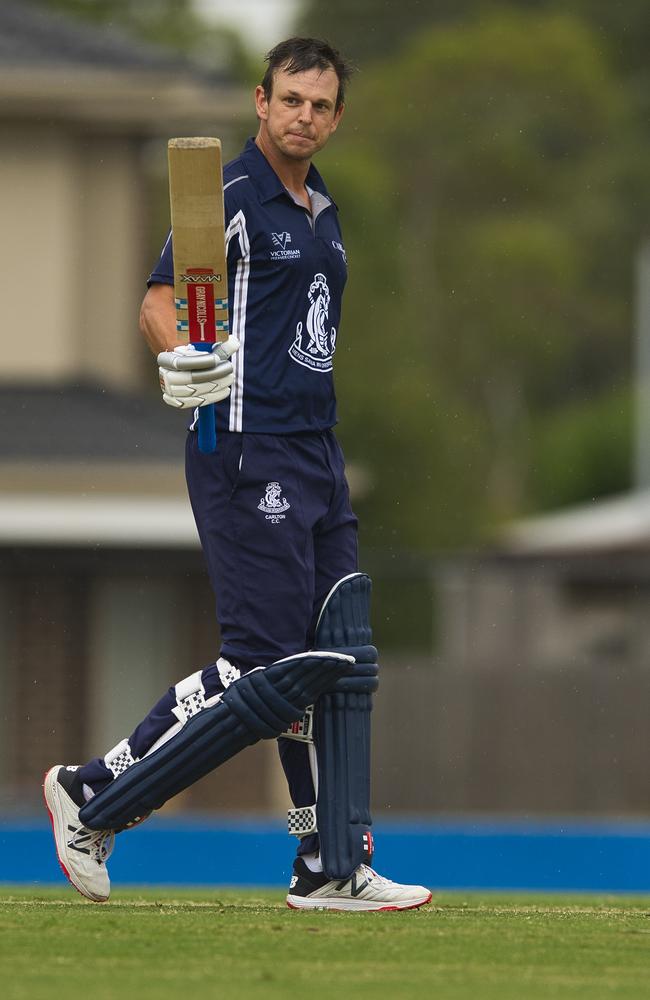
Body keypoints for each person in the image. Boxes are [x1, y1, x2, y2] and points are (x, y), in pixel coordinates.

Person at [44, 37, 431, 912]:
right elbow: (156, 299)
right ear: (261, 102)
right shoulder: (232, 199)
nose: (305, 116)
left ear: (337, 116)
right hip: (245, 447)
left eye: (321, 104)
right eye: (291, 99)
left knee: (335, 661)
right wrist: (177, 352)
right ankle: (94, 793)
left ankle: (329, 864)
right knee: (264, 661)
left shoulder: (323, 206)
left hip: (318, 452)